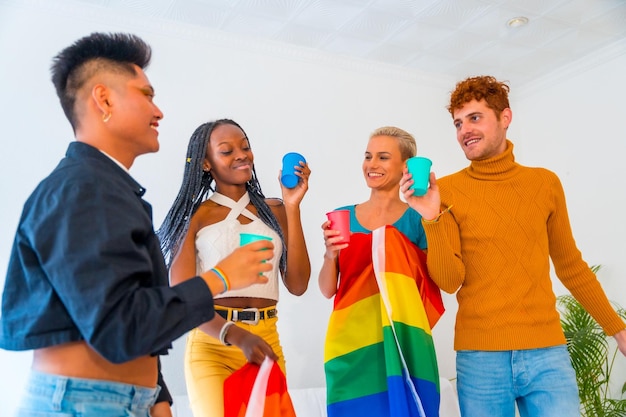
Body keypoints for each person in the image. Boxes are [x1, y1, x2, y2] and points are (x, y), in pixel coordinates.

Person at [0, 32, 274, 417]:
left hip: (121, 401)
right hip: (84, 403)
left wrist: (157, 396)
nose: (158, 111)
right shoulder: (82, 190)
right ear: (105, 99)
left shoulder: (108, 190)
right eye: (145, 95)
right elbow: (119, 325)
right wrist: (219, 279)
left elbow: (126, 306)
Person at [401, 75, 626, 417]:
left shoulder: (544, 184)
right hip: (480, 358)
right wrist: (431, 217)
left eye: (475, 118)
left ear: (505, 118)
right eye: (458, 123)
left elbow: (571, 266)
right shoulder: (444, 190)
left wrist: (618, 329)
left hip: (547, 352)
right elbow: (449, 280)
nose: (464, 131)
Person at [157, 118, 311, 417]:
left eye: (245, 147)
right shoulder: (194, 217)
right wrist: (236, 335)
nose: (241, 154)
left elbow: (298, 284)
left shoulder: (275, 209)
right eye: (226, 151)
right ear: (205, 163)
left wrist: (293, 207)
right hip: (213, 344)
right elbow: (184, 298)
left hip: (267, 340)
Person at [319, 126, 444, 417]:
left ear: (406, 167)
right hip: (350, 345)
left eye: (383, 157)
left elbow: (432, 286)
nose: (371, 165)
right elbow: (328, 290)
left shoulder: (419, 219)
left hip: (403, 343)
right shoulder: (343, 217)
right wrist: (330, 254)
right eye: (368, 156)